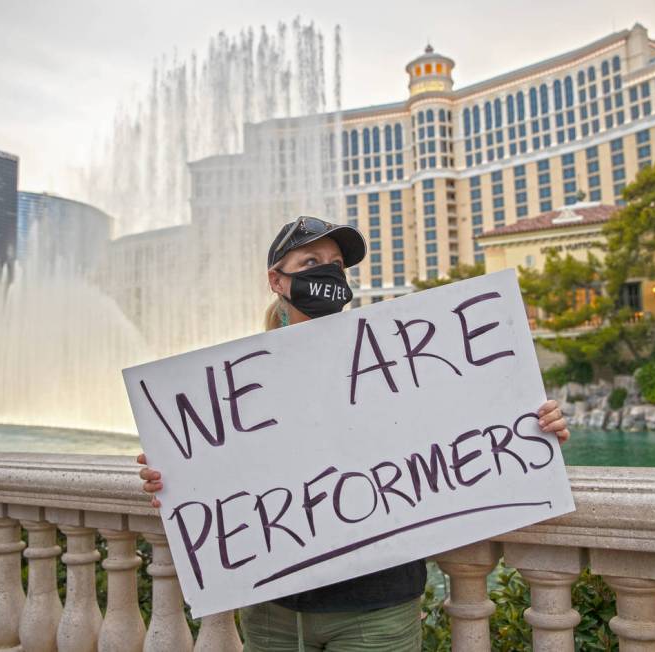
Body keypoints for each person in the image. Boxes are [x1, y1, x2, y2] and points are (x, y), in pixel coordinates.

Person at [136, 215, 571, 651]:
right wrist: (171, 477)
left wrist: (533, 426)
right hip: (274, 613)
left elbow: (462, 430)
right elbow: (219, 474)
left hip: (378, 610)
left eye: (336, 264)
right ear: (277, 279)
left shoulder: (395, 360)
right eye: (310, 261)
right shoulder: (234, 385)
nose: (327, 272)